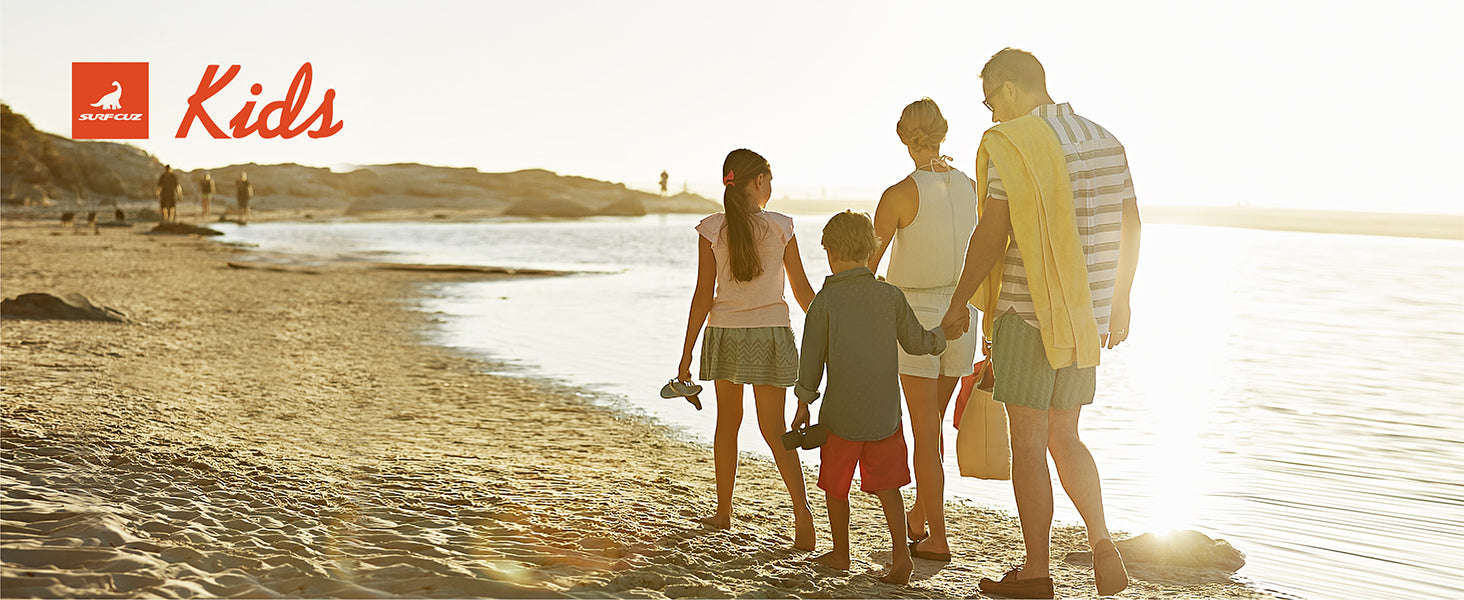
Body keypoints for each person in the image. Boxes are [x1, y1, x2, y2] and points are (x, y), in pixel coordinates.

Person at [940, 48, 1142, 599]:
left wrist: (959, 302)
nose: (990, 116)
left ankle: (1036, 572)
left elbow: (993, 231)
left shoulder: (1018, 143)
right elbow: (1131, 222)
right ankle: (1102, 545)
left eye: (989, 101)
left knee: (1028, 444)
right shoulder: (1106, 140)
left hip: (1026, 315)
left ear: (1008, 88)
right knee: (1066, 436)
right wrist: (1119, 302)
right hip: (1084, 318)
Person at [792, 210, 961, 585]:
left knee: (835, 487)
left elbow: (811, 361)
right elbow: (918, 343)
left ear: (832, 253)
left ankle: (840, 552)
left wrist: (803, 404)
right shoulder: (891, 296)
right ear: (871, 250)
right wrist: (944, 334)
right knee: (889, 487)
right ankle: (902, 556)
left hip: (840, 418)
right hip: (886, 415)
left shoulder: (824, 303)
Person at [675, 148, 817, 550]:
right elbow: (804, 293)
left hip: (726, 333)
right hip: (771, 334)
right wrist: (832, 327)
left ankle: (723, 512)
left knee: (728, 423)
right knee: (775, 430)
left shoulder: (712, 230)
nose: (771, 188)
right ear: (758, 182)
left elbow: (703, 295)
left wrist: (686, 353)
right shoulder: (780, 227)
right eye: (769, 180)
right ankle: (802, 513)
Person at [866, 98, 981, 562]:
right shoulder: (972, 187)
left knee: (924, 435)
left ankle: (939, 538)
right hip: (963, 315)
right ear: (943, 133)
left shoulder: (898, 194)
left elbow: (865, 269)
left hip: (914, 317)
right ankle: (921, 517)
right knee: (931, 431)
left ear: (903, 137)